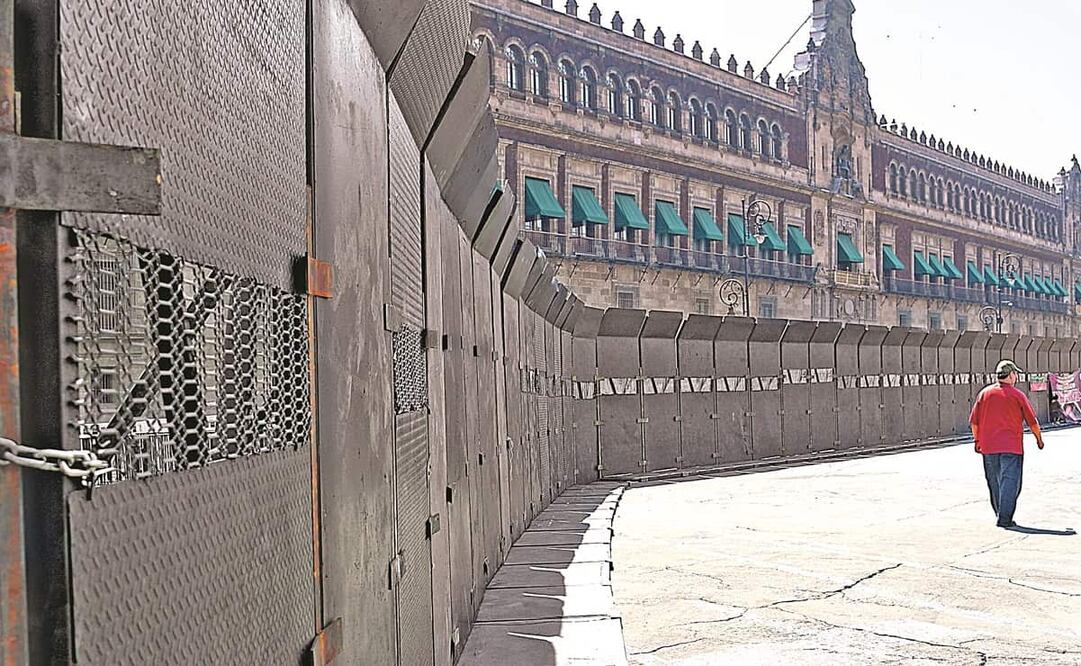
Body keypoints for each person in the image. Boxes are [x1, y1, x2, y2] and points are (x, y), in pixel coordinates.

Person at [969, 360, 1045, 528]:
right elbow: (1032, 421)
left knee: (994, 481)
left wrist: (977, 440)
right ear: (1010, 375)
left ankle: (1000, 513)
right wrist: (1038, 439)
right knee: (1011, 482)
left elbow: (974, 423)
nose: (1016, 376)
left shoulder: (984, 394)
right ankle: (1004, 518)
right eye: (1015, 373)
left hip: (988, 447)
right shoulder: (1017, 395)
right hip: (1012, 447)